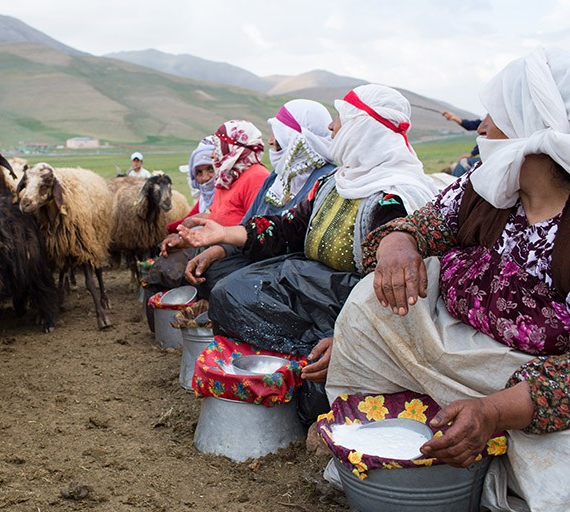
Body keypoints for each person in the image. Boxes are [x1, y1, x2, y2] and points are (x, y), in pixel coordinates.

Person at [326, 48, 570, 512]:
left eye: (496, 116)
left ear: (535, 124)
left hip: (527, 386)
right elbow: (419, 226)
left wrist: (494, 410)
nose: (480, 129)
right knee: (372, 299)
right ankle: (371, 434)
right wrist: (397, 242)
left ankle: (502, 497)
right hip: (447, 356)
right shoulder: (479, 191)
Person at [179, 85, 438, 424]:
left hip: (353, 305)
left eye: (339, 121)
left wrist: (344, 337)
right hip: (307, 285)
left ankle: (329, 353)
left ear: (364, 128)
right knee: (228, 293)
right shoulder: (333, 182)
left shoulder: (395, 198)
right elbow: (287, 227)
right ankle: (308, 352)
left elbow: (392, 292)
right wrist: (222, 235)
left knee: (317, 397)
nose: (331, 128)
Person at [172, 99, 338, 298]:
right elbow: (247, 226)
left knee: (229, 287)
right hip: (257, 259)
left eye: (278, 132)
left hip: (291, 270)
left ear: (297, 138)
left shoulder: (325, 182)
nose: (270, 141)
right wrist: (215, 251)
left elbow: (302, 243)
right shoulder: (276, 179)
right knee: (207, 273)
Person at [141, 120, 269, 328]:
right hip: (214, 242)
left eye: (219, 147)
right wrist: (185, 238)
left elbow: (255, 229)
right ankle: (163, 330)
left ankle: (207, 327)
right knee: (163, 264)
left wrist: (212, 251)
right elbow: (214, 214)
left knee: (207, 275)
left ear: (235, 148)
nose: (213, 153)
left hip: (238, 250)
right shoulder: (227, 178)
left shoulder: (256, 177)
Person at [442, 110, 483, 177]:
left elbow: (488, 138)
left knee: (463, 163)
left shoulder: (497, 118)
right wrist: (454, 117)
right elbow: (471, 125)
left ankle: (455, 186)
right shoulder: (491, 117)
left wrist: (472, 154)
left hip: (494, 158)